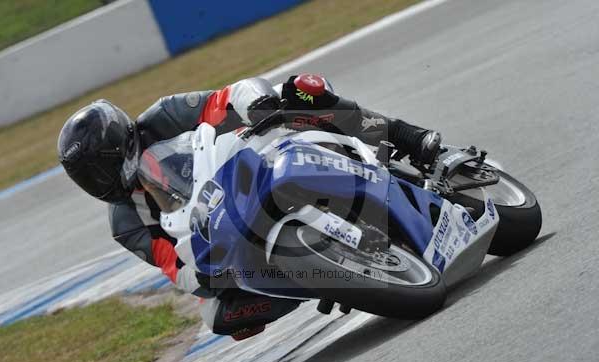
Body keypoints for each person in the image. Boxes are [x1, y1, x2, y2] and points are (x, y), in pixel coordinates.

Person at [57, 74, 441, 340]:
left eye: (100, 168)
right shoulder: (126, 221)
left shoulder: (163, 116)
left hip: (255, 157)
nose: (100, 181)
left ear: (118, 142)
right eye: (87, 177)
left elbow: (228, 96)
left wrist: (257, 103)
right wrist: (204, 277)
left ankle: (408, 136)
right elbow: (175, 270)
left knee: (304, 90)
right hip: (225, 234)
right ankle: (327, 279)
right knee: (222, 317)